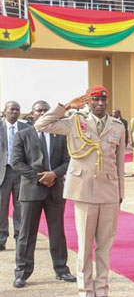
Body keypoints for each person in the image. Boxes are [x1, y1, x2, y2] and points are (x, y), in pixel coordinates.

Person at [35, 86, 125, 297]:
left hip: (109, 191)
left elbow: (119, 162)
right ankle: (86, 292)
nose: (101, 103)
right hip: (83, 191)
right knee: (85, 248)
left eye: (104, 99)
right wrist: (65, 106)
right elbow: (41, 124)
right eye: (95, 100)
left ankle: (102, 291)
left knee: (105, 247)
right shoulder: (75, 122)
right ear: (88, 102)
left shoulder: (118, 126)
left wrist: (120, 193)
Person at [11, 101, 75, 288]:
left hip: (55, 190)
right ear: (32, 114)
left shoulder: (60, 135)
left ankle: (62, 270)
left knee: (57, 232)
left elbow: (68, 159)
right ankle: (21, 273)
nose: (43, 113)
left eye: (46, 111)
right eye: (39, 110)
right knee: (26, 234)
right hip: (31, 190)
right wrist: (40, 178)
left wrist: (54, 174)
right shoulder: (23, 135)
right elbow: (16, 162)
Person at [0, 101, 30, 252]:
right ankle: (1, 239)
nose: (14, 112)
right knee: (1, 207)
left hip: (21, 173)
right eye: (11, 109)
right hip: (2, 173)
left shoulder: (26, 128)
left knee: (21, 207)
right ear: (4, 111)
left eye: (17, 109)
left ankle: (20, 238)